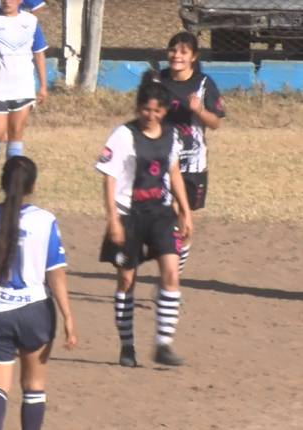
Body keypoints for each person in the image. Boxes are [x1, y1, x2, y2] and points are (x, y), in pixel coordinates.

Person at [0, 156, 77, 430]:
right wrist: (68, 317)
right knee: (34, 386)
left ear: (3, 183)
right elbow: (55, 273)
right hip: (36, 312)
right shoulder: (44, 221)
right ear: (34, 185)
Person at [96, 72, 193, 367]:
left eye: (156, 111)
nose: (150, 115)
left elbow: (174, 172)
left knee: (171, 272)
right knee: (126, 280)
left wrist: (185, 211)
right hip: (128, 215)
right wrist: (113, 219)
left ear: (164, 112)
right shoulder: (123, 135)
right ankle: (127, 346)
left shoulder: (172, 136)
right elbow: (109, 179)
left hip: (161, 213)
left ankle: (163, 343)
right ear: (138, 108)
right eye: (145, 109)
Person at [160, 31, 225, 273]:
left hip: (193, 163)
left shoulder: (204, 84)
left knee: (185, 226)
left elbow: (216, 122)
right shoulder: (158, 81)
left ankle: (172, 275)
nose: (176, 56)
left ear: (194, 57)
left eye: (183, 52)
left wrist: (199, 110)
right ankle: (169, 277)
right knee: (173, 212)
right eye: (173, 50)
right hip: (164, 159)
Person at [0, 0, 48, 184]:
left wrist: (43, 85)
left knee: (16, 133)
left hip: (23, 86)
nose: (7, 1)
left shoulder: (31, 22)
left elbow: (39, 54)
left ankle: (11, 179)